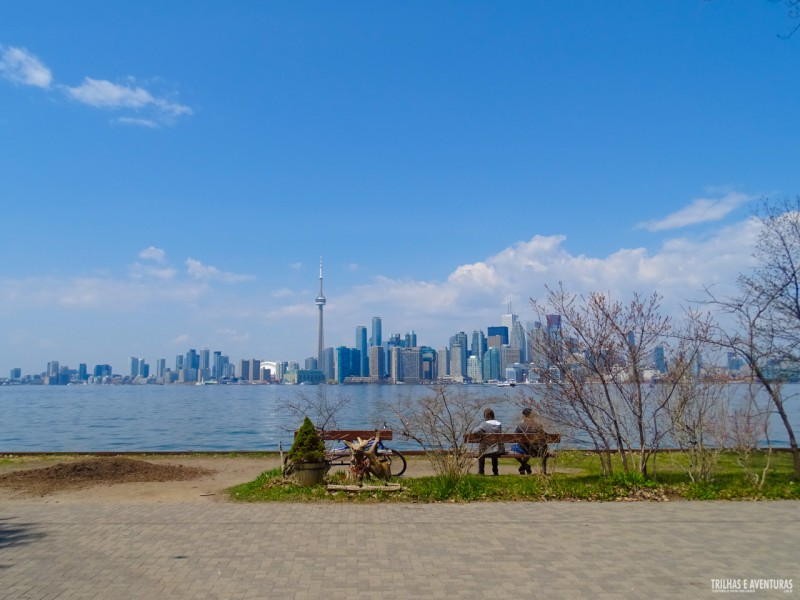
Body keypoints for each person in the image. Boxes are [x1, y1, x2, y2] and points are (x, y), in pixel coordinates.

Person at [512, 407, 547, 475]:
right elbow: (544, 436)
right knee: (527, 446)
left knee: (513, 448)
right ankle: (525, 466)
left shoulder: (521, 425)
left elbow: (515, 436)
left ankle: (524, 466)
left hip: (525, 449)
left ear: (524, 416)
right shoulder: (538, 425)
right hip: (536, 449)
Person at [473, 408, 504, 476]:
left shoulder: (484, 424)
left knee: (481, 454)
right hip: (498, 449)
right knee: (494, 451)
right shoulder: (499, 424)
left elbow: (474, 431)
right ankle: (495, 471)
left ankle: (481, 471)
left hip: (486, 449)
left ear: (486, 416)